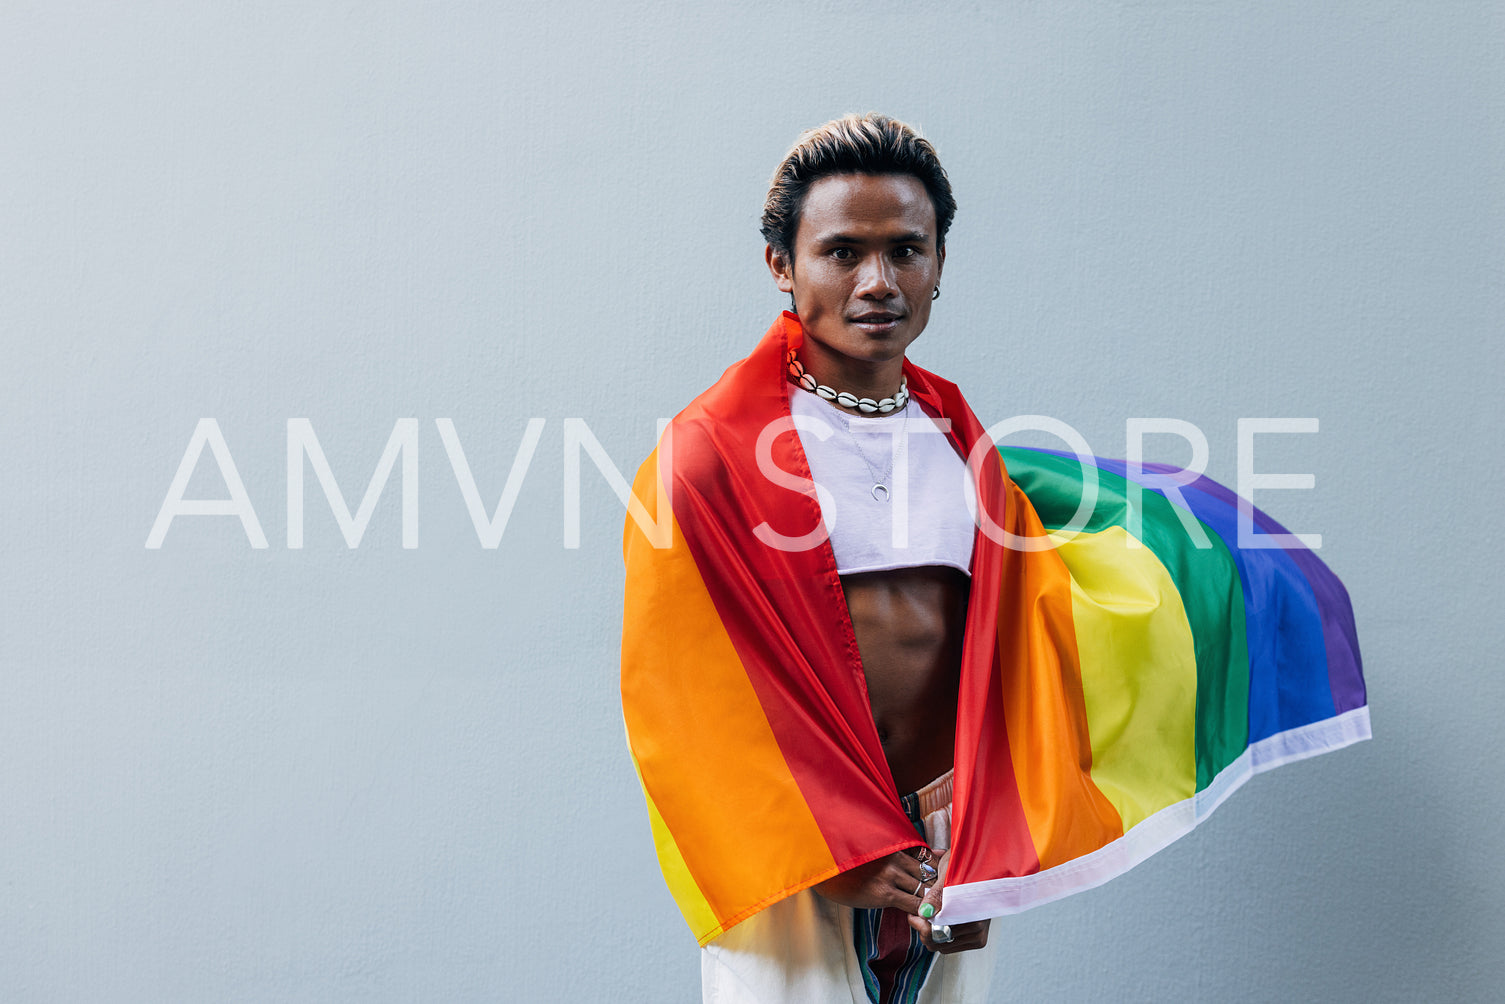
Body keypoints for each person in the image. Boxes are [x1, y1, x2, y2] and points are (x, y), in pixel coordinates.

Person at [620, 113, 1367, 1004]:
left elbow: (1023, 623)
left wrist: (977, 829)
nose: (877, 282)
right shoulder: (707, 454)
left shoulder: (959, 441)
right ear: (782, 265)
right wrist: (831, 848)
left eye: (906, 250)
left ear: (939, 263)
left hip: (945, 836)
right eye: (842, 252)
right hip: (799, 846)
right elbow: (682, 691)